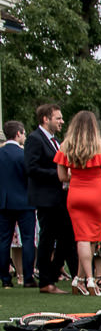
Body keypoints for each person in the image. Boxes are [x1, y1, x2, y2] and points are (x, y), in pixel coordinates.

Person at [52, 111, 101, 296]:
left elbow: (62, 176)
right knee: (91, 236)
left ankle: (78, 279)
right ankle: (91, 280)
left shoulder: (65, 145)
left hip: (76, 192)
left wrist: (76, 174)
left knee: (83, 236)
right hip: (97, 191)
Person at [26, 102, 75, 292]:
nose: (62, 121)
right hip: (46, 197)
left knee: (66, 237)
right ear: (46, 119)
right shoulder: (35, 139)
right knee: (48, 238)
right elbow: (31, 168)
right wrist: (59, 174)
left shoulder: (55, 141)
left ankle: (60, 275)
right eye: (58, 118)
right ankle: (46, 281)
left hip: (59, 197)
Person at [0, 120, 36, 289]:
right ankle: (28, 277)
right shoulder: (23, 155)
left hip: (4, 202)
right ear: (19, 133)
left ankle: (5, 279)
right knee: (28, 240)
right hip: (24, 201)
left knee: (4, 241)